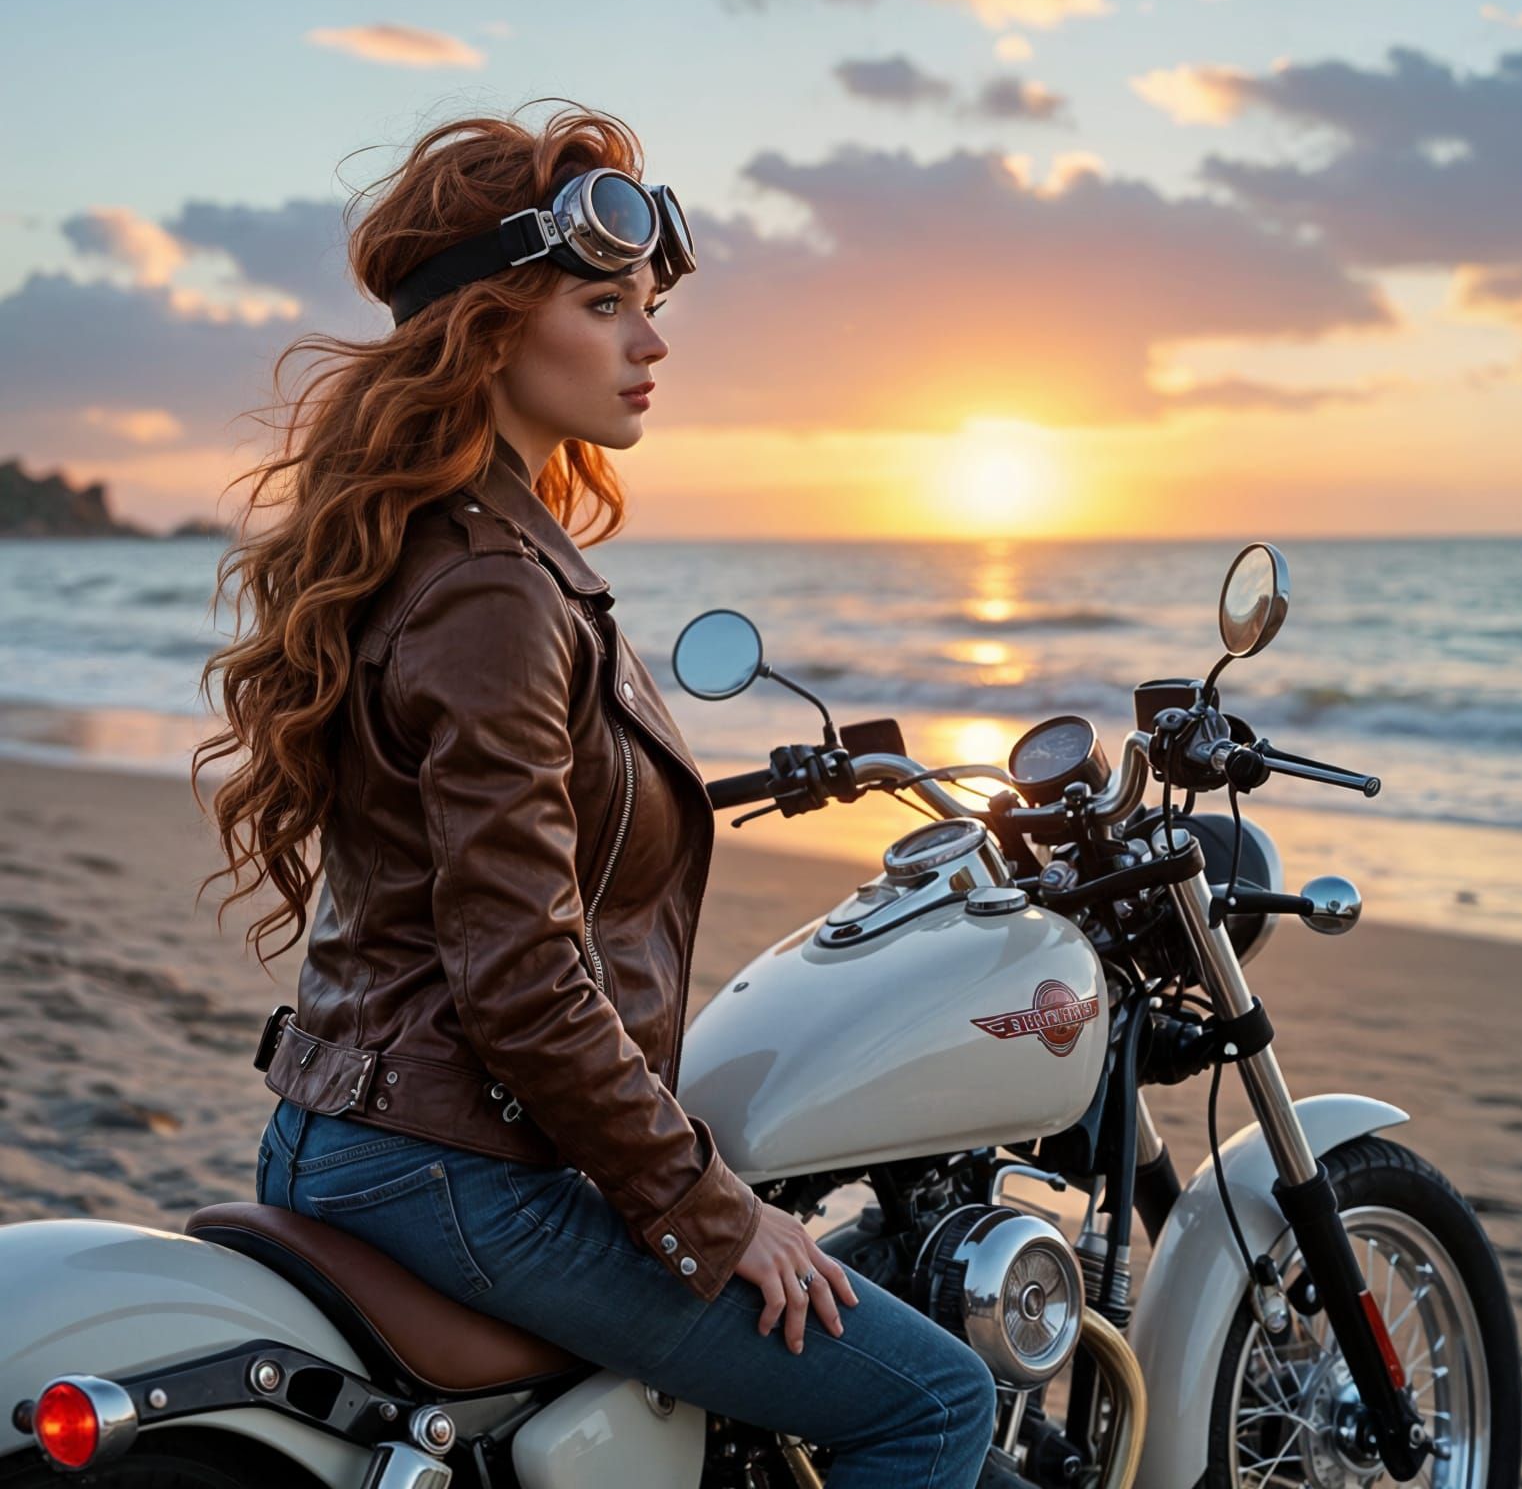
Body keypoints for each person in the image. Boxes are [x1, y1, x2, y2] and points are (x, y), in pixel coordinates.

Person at [193, 102, 998, 1487]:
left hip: (353, 1131)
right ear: (493, 329)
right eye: (604, 302)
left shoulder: (451, 544)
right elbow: (521, 977)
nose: (652, 340)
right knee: (929, 1399)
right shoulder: (498, 585)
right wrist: (706, 1206)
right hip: (455, 1169)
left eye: (650, 303)